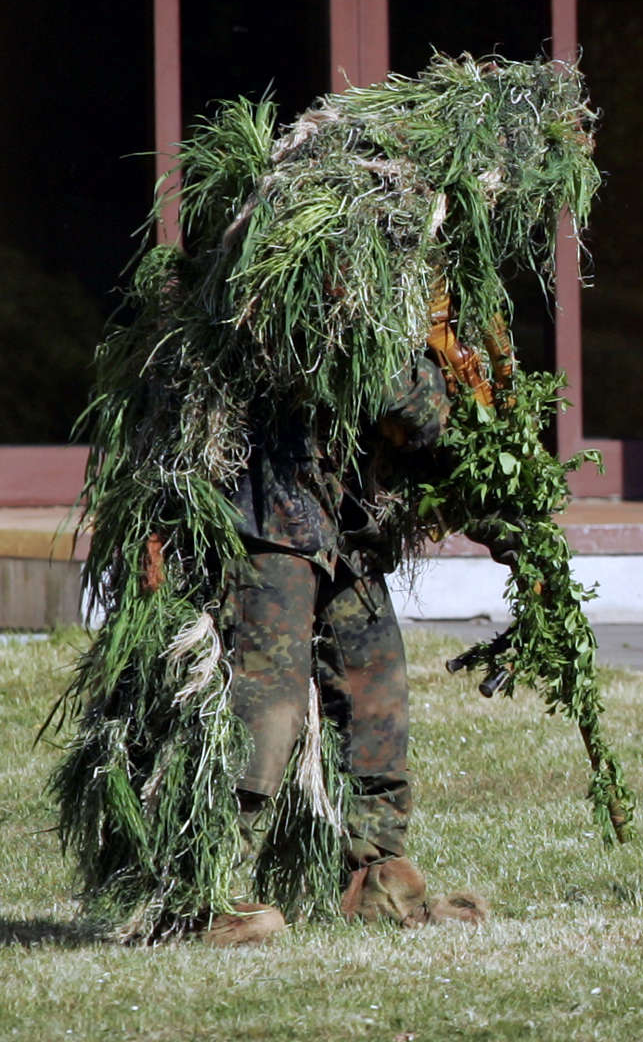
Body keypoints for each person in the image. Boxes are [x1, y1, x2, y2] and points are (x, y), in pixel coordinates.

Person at [210, 356, 488, 945]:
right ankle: (213, 888)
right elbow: (402, 399)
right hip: (269, 516)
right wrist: (422, 388)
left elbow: (417, 418)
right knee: (268, 705)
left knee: (374, 692)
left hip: (346, 520)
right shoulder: (282, 273)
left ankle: (377, 878)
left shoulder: (395, 281)